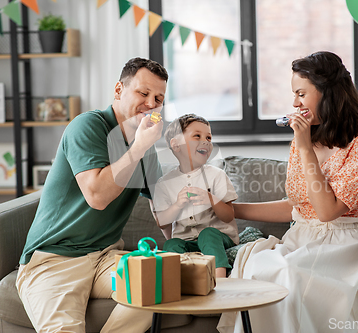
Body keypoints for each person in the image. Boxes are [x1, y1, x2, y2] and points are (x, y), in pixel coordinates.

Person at [217, 51, 358, 333]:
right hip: (301, 236)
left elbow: (328, 212)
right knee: (261, 269)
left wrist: (305, 148)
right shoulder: (304, 139)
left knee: (290, 275)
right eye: (294, 95)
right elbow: (298, 206)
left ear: (327, 94)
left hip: (346, 240)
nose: (294, 103)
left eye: (301, 94)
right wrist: (233, 210)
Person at [16, 57, 168, 333]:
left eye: (158, 98)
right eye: (143, 93)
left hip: (106, 256)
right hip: (54, 259)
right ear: (119, 90)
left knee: (163, 280)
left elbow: (164, 206)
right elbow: (97, 197)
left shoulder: (146, 145)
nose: (151, 104)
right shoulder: (87, 126)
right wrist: (138, 148)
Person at [152, 114, 239, 278]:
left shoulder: (216, 175)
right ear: (176, 145)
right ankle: (174, 282)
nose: (205, 141)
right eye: (197, 136)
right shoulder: (165, 183)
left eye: (209, 137)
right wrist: (177, 205)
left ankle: (220, 280)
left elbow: (228, 216)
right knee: (171, 244)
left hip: (220, 237)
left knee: (208, 233)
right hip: (187, 241)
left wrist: (211, 200)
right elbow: (162, 223)